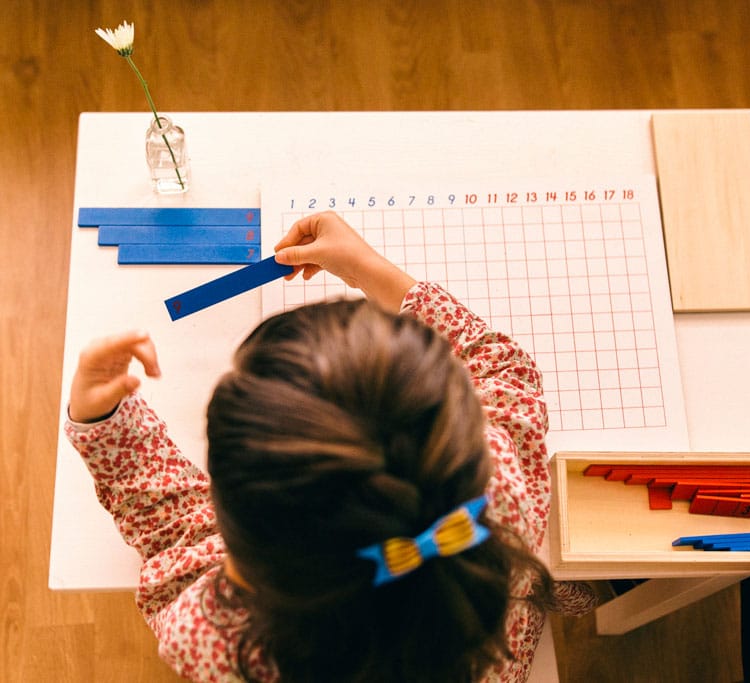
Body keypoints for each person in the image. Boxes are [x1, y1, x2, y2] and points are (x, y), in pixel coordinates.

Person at [65, 211, 597, 682]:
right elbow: (501, 370)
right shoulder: (497, 493)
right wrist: (370, 268)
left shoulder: (215, 639)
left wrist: (106, 422)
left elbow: (173, 533)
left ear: (238, 555)